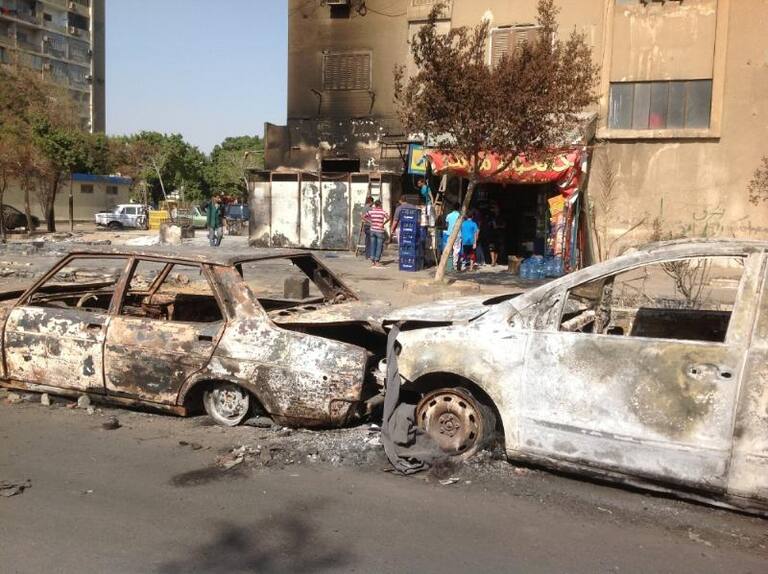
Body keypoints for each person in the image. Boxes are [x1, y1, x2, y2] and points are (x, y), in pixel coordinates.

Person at [364, 199, 390, 268]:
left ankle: (372, 261)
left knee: (373, 245)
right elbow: (388, 218)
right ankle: (377, 261)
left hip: (372, 230)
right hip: (379, 231)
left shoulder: (371, 211)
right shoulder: (383, 212)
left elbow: (363, 216)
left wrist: (370, 222)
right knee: (379, 246)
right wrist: (383, 224)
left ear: (375, 205)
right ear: (380, 205)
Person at [444, 203, 461, 268]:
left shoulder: (448, 215)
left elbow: (446, 225)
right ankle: (454, 265)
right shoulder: (460, 216)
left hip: (449, 234)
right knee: (456, 250)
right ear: (459, 208)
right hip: (458, 234)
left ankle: (447, 264)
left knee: (449, 249)